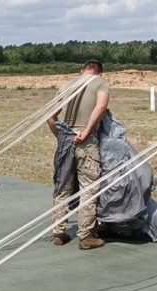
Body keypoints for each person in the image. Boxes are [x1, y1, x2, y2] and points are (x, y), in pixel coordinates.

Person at [46, 60, 110, 250]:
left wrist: (60, 136)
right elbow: (101, 106)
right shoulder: (101, 83)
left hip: (66, 142)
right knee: (89, 188)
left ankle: (58, 232)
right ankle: (86, 236)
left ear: (82, 71)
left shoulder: (68, 85)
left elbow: (50, 115)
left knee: (62, 186)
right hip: (86, 143)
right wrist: (87, 131)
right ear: (100, 73)